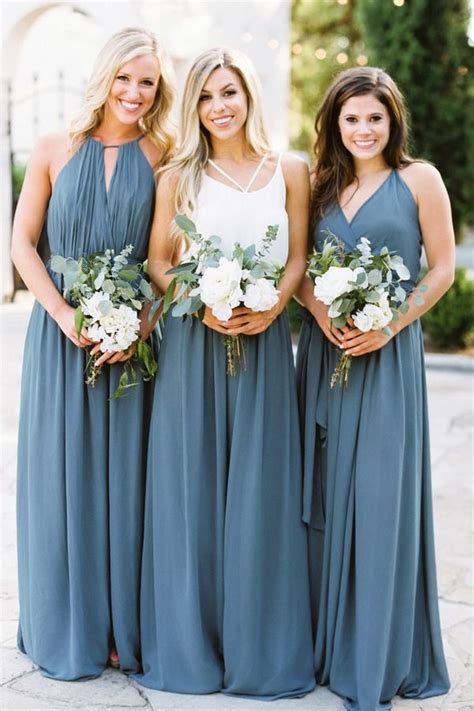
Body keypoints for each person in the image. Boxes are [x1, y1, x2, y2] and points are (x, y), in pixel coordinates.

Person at [133, 47, 315, 699]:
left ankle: (259, 645)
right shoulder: (178, 175)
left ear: (250, 95)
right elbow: (158, 262)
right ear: (194, 106)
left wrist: (268, 311)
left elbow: (297, 257)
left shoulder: (289, 169)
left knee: (261, 494)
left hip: (263, 346)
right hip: (192, 343)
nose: (220, 107)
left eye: (229, 92)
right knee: (193, 492)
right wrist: (199, 300)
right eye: (207, 96)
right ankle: (191, 644)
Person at [11, 27, 175, 680]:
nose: (135, 92)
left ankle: (117, 627)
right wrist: (62, 313)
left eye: (148, 83)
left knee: (127, 482)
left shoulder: (163, 154)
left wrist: (143, 320)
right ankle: (65, 622)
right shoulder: (55, 147)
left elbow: (168, 262)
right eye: (125, 77)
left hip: (133, 343)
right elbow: (24, 243)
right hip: (60, 340)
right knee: (62, 479)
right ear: (104, 77)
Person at [296, 66, 454, 711]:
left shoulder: (421, 179)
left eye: (375, 118)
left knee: (382, 502)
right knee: (327, 498)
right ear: (334, 123)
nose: (363, 129)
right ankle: (326, 649)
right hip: (325, 359)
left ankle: (380, 656)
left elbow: (441, 268)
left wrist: (391, 324)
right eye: (351, 118)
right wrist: (320, 309)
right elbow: (299, 268)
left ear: (393, 122)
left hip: (387, 360)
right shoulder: (318, 184)